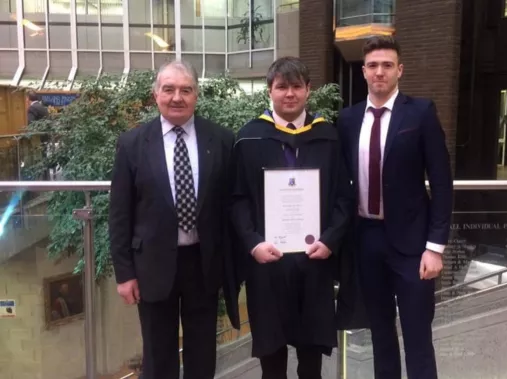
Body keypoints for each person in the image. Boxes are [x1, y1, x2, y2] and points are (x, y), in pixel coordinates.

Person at [108, 60, 239, 379]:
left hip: (203, 264)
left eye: (186, 90)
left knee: (202, 352)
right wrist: (124, 274)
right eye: (169, 89)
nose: (177, 97)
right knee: (158, 355)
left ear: (197, 95)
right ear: (156, 95)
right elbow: (120, 213)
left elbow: (230, 207)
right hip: (151, 265)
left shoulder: (221, 139)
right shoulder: (132, 143)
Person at [336, 36, 453, 379]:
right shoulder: (347, 119)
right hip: (367, 239)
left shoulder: (421, 112)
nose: (380, 72)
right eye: (373, 66)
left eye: (387, 65)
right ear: (363, 72)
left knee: (417, 336)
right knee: (380, 334)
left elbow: (442, 182)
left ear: (399, 70)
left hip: (414, 245)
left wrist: (435, 247)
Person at [230, 56, 353, 379]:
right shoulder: (249, 138)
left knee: (311, 360)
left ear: (308, 90)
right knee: (272, 358)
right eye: (282, 86)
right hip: (268, 263)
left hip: (315, 261)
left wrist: (331, 239)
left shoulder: (327, 136)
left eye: (296, 86)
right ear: (269, 90)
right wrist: (253, 243)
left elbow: (344, 196)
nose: (289, 94)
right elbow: (237, 200)